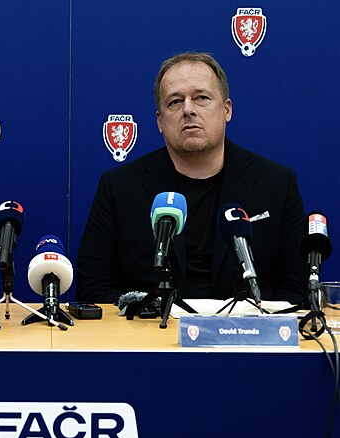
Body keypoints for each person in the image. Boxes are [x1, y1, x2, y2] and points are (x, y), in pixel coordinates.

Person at [76, 52, 308, 306]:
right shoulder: (119, 187)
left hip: (245, 328)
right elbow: (94, 290)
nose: (188, 110)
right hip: (152, 328)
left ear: (227, 110)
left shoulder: (276, 183)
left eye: (201, 98)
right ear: (160, 121)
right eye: (175, 102)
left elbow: (296, 288)